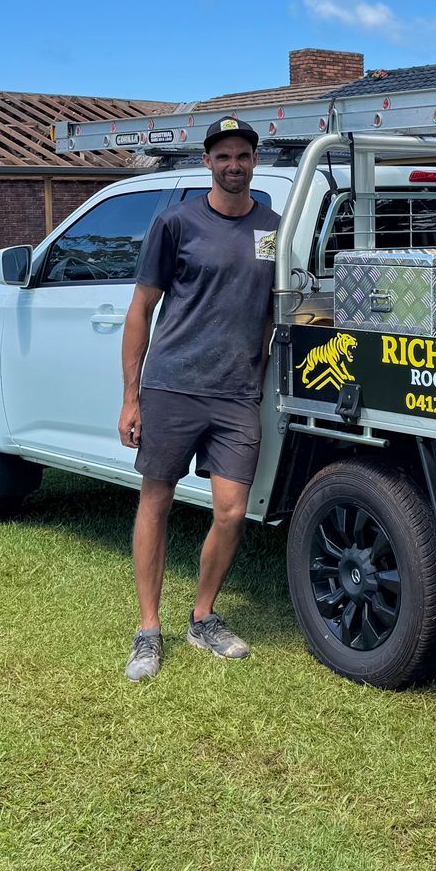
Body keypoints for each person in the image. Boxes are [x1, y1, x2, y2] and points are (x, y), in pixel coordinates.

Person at [118, 117, 283, 682]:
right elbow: (140, 309)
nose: (233, 165)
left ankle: (203, 617)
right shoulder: (176, 223)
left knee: (232, 511)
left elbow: (278, 308)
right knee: (156, 501)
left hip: (236, 393)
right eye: (223, 156)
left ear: (254, 161)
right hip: (172, 385)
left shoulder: (273, 230)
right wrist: (131, 398)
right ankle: (147, 629)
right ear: (207, 162)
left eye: (242, 155)